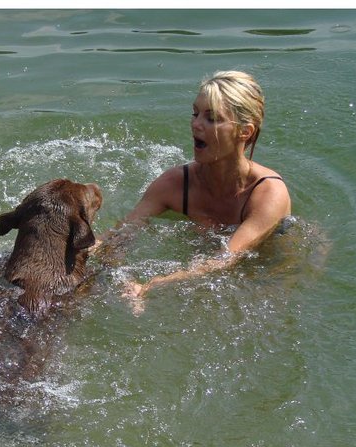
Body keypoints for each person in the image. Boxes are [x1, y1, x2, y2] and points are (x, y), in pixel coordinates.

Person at [98, 70, 291, 304]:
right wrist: (116, 271)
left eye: (212, 118)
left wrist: (152, 285)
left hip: (265, 275)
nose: (196, 124)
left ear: (244, 131)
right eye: (195, 113)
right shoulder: (174, 183)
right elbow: (121, 233)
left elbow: (226, 260)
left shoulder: (268, 193)